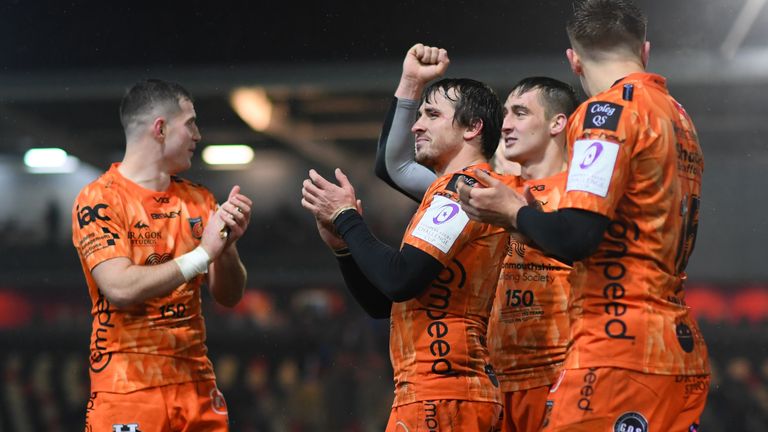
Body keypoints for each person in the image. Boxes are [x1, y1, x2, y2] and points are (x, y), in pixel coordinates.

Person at [457, 1, 710, 430]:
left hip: (617, 348)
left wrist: (514, 212)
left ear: (573, 61)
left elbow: (577, 235)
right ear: (644, 51)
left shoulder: (606, 112)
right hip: (677, 347)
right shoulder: (678, 116)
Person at [301, 44, 509, 431]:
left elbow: (400, 277)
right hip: (437, 391)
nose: (417, 125)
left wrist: (347, 217)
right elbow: (384, 301)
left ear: (472, 127)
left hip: (446, 395)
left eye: (432, 115)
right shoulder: (448, 189)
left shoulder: (463, 189)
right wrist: (345, 250)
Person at [375, 43, 579, 432]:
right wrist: (411, 83)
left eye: (520, 114)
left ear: (558, 123)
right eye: (505, 115)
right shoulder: (483, 190)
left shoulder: (580, 197)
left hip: (562, 377)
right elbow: (395, 165)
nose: (506, 125)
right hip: (496, 384)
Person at [71, 79, 252, 431]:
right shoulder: (99, 199)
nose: (198, 135)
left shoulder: (201, 201)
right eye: (190, 123)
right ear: (160, 128)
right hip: (128, 389)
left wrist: (226, 250)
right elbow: (119, 287)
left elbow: (229, 296)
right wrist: (203, 255)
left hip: (197, 387)